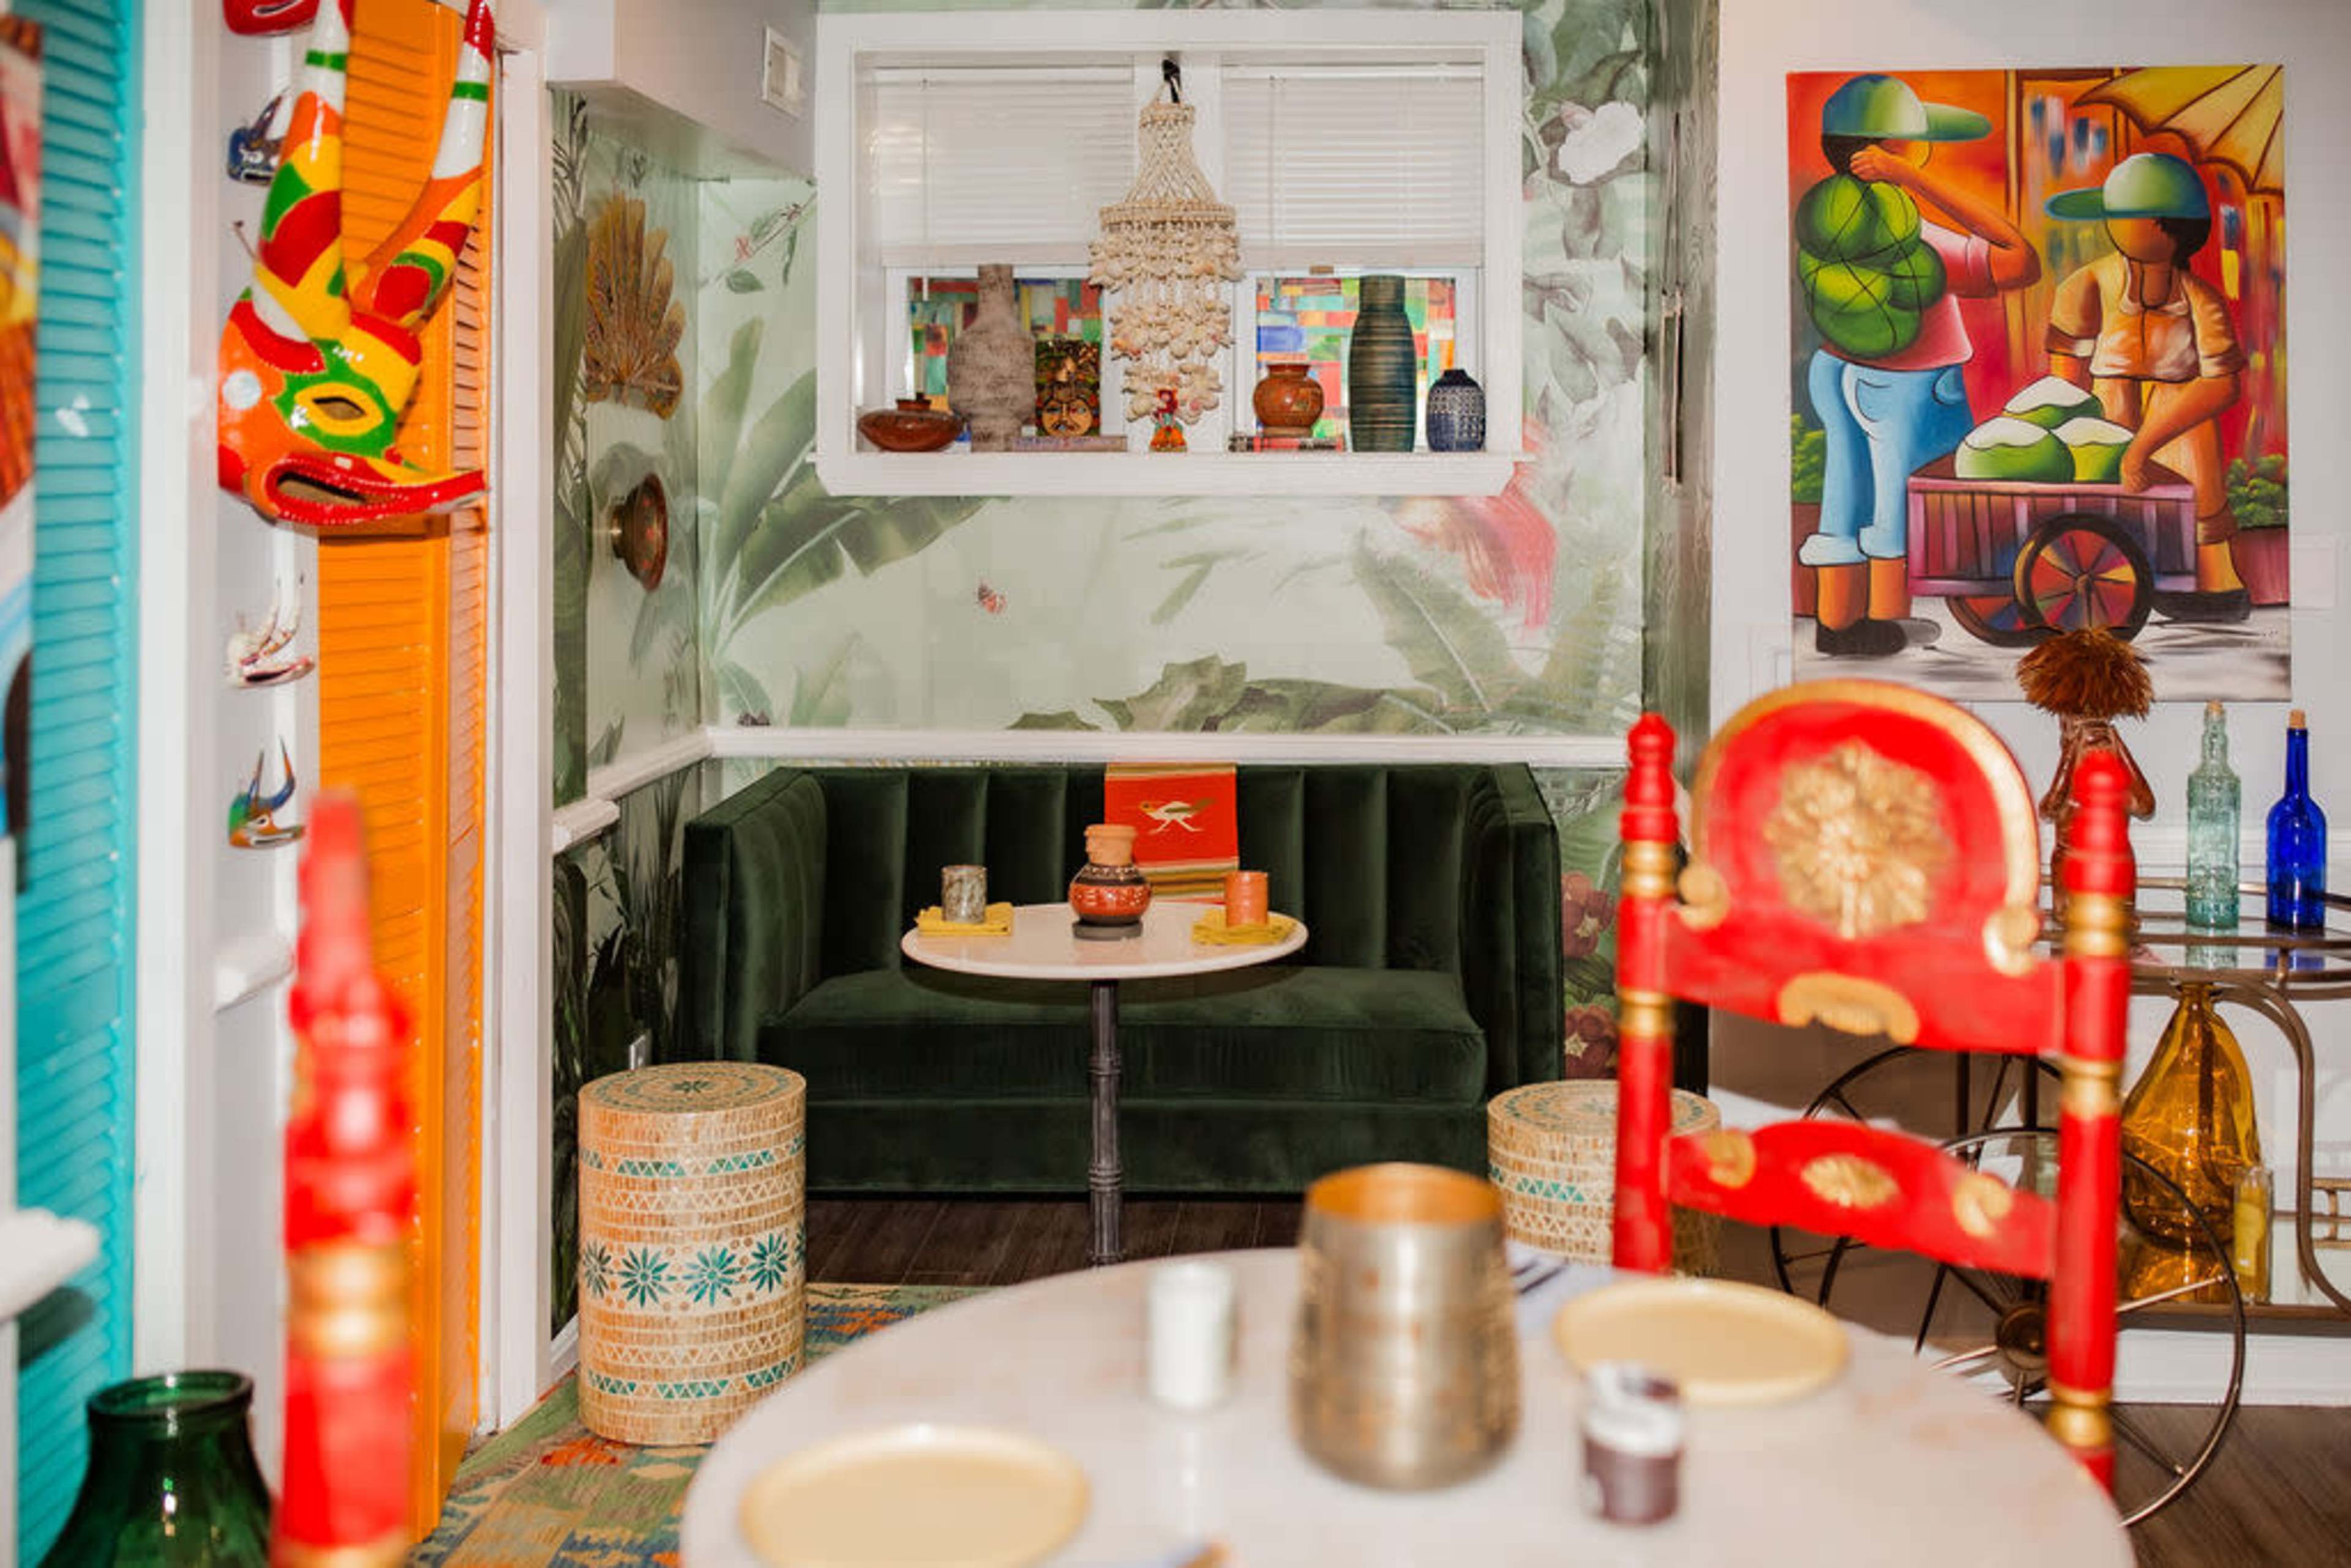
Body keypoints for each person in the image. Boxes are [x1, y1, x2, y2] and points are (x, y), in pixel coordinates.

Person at [1799, 75, 2042, 656]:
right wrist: (1916, 182)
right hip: (1909, 382)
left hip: (1835, 371)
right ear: (1891, 152)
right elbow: (2020, 259)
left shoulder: (1830, 228)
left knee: (1846, 489)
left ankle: (1842, 622)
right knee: (1903, 494)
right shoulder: (1922, 243)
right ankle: (1886, 614)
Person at [2044, 151, 2248, 621]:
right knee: (2102, 476)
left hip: (2179, 412)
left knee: (2195, 469)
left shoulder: (2201, 298)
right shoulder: (2089, 283)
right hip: (2107, 410)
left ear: (2162, 226)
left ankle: (2210, 584)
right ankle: (2100, 573)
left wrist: (2146, 444)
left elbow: (2222, 386)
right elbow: (2065, 383)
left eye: (2123, 216)